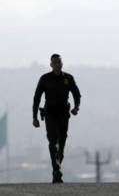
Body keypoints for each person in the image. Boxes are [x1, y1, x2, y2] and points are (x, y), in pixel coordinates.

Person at [32, 54, 81, 183]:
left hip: (64, 114)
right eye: (54, 62)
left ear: (62, 63)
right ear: (51, 64)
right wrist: (34, 117)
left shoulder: (68, 78)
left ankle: (56, 169)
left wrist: (76, 107)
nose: (57, 64)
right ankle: (56, 170)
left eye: (59, 62)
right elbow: (37, 98)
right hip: (50, 114)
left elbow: (76, 94)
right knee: (53, 142)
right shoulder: (45, 79)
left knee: (62, 142)